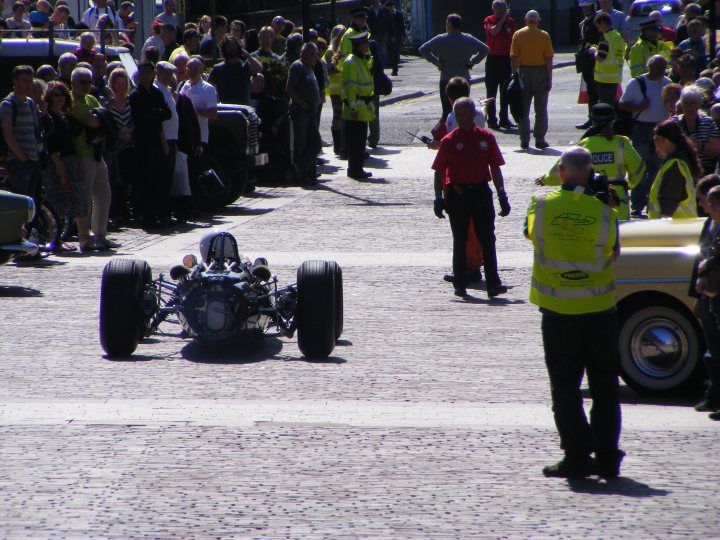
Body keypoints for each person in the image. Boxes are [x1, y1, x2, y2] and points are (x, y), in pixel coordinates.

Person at [526, 146, 623, 479]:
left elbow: (529, 234)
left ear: (564, 172)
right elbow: (614, 251)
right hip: (600, 312)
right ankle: (608, 456)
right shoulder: (606, 212)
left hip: (558, 313)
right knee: (605, 387)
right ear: (592, 172)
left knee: (565, 389)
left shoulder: (541, 205)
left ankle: (577, 455)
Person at [432, 97, 510, 299]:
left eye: (464, 114)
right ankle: (459, 282)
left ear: (473, 114)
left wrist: (502, 194)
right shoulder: (449, 141)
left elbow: (495, 168)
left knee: (488, 238)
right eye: (457, 115)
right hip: (458, 195)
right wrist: (437, 198)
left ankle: (493, 283)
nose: (461, 118)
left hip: (481, 193)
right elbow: (439, 171)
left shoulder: (486, 138)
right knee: (460, 239)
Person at [537, 103, 646, 221]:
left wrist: (544, 180)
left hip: (588, 197)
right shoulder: (621, 144)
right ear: (613, 121)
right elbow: (639, 168)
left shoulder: (583, 145)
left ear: (593, 122)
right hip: (617, 199)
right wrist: (629, 184)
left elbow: (561, 170)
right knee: (618, 235)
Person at [68, 66, 117, 252]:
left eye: (89, 82)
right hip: (82, 154)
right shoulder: (71, 101)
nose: (87, 86)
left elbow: (105, 119)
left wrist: (102, 117)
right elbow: (94, 121)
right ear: (73, 83)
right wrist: (101, 117)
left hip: (97, 153)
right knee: (84, 198)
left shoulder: (91, 99)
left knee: (104, 196)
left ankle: (100, 235)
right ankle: (84, 238)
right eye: (83, 82)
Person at [618, 55, 671, 217]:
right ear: (650, 67)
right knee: (640, 168)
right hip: (641, 129)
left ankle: (652, 202)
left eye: (664, 68)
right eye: (659, 68)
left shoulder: (667, 83)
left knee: (657, 168)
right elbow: (622, 104)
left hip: (661, 130)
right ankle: (637, 203)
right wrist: (638, 107)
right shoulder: (636, 83)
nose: (662, 72)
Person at [419, 13, 489, 121]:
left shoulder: (440, 39)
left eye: (447, 22)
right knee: (462, 110)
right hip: (463, 80)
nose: (445, 24)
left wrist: (436, 62)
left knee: (447, 111)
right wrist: (473, 61)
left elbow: (423, 49)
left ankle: (447, 135)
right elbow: (485, 49)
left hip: (446, 79)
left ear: (450, 24)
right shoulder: (468, 39)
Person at [689, 175, 720, 415]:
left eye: (704, 201)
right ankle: (713, 393)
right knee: (711, 347)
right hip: (709, 292)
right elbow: (700, 257)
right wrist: (698, 296)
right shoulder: (710, 224)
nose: (701, 206)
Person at [43, 80, 85, 249]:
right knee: (56, 201)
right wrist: (60, 167)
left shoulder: (65, 117)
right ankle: (55, 239)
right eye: (56, 95)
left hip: (71, 161)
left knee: (78, 198)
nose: (60, 98)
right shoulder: (49, 118)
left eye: (62, 95)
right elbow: (51, 146)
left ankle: (76, 237)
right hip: (57, 162)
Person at [129, 62, 171, 229]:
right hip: (142, 140)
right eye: (143, 72)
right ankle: (147, 215)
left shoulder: (156, 93)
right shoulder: (135, 95)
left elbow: (166, 113)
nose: (146, 75)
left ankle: (161, 213)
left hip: (156, 138)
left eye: (148, 72)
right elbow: (140, 117)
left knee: (159, 177)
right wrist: (154, 114)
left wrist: (154, 115)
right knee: (145, 179)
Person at [1, 66, 43, 231]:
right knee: (20, 203)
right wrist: (22, 157)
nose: (28, 85)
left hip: (34, 159)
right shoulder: (8, 104)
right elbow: (8, 135)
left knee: (32, 203)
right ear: (15, 82)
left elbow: (35, 130)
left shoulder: (31, 102)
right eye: (25, 81)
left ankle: (31, 237)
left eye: (30, 81)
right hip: (18, 162)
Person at [510, 10, 554, 151]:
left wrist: (514, 75)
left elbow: (514, 57)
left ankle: (524, 139)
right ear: (538, 21)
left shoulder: (518, 34)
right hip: (540, 72)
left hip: (523, 72)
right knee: (540, 108)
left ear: (525, 20)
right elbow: (548, 58)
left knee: (523, 108)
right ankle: (540, 139)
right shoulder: (544, 35)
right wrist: (549, 78)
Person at [286, 42, 322, 187]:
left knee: (315, 143)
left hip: (311, 111)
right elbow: (289, 88)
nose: (317, 57)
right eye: (315, 54)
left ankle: (306, 170)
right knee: (301, 143)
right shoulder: (297, 66)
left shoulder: (310, 68)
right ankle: (299, 172)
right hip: (301, 111)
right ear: (309, 54)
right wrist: (302, 103)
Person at [648, 118, 699, 219]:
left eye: (655, 140)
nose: (655, 145)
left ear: (663, 139)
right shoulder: (679, 162)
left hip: (673, 231)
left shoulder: (674, 166)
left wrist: (658, 231)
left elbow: (668, 204)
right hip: (679, 229)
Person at [341, 32, 375, 180]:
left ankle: (358, 168)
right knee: (356, 142)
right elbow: (350, 88)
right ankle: (354, 170)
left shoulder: (361, 59)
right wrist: (353, 108)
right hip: (356, 109)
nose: (368, 45)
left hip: (363, 108)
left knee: (360, 142)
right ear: (359, 46)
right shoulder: (351, 61)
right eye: (365, 43)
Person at [105, 68, 134, 223]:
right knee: (115, 179)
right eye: (118, 84)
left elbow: (134, 120)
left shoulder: (130, 101)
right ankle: (117, 211)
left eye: (123, 84)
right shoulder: (110, 103)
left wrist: (130, 132)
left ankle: (128, 209)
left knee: (128, 179)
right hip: (115, 147)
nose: (121, 87)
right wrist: (119, 133)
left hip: (130, 144)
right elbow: (108, 120)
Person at [483, 0, 516, 130]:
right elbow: (494, 31)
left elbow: (513, 39)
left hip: (505, 59)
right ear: (492, 8)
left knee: (505, 91)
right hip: (492, 59)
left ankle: (504, 118)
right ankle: (492, 119)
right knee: (491, 91)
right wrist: (503, 18)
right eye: (496, 6)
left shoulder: (511, 22)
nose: (499, 9)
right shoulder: (489, 19)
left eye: (501, 7)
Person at [674, 85, 720, 176]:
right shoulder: (673, 123)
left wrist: (700, 145)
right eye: (686, 103)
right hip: (680, 170)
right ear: (681, 104)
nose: (689, 106)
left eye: (693, 103)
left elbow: (716, 150)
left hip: (705, 170)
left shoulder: (708, 122)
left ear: (699, 104)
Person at [208, 36, 263, 106]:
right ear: (224, 48)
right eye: (228, 46)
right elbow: (208, 87)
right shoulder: (218, 69)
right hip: (226, 109)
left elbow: (259, 68)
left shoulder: (245, 66)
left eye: (233, 45)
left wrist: (247, 55)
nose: (231, 48)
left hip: (244, 108)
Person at [576, 0, 602, 130]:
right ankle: (591, 118)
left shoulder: (596, 20)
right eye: (583, 7)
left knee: (594, 92)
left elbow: (598, 40)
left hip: (593, 61)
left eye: (587, 7)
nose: (584, 9)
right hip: (587, 61)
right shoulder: (586, 20)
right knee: (591, 93)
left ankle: (595, 120)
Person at [593, 12, 625, 107]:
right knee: (610, 105)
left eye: (598, 26)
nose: (599, 30)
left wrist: (594, 51)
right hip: (615, 77)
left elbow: (600, 58)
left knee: (604, 106)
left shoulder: (605, 39)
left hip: (604, 79)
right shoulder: (618, 37)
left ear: (603, 23)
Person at [326, 25, 346, 156]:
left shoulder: (345, 49)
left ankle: (343, 144)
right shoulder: (330, 51)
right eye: (341, 35)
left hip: (344, 89)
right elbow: (329, 69)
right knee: (338, 116)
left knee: (344, 117)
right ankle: (337, 145)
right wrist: (341, 69)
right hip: (335, 89)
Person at [385, 1, 405, 76]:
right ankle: (391, 65)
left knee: (396, 53)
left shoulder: (399, 14)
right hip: (389, 36)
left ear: (392, 7)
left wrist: (403, 36)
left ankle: (395, 69)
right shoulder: (386, 15)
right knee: (389, 53)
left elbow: (402, 25)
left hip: (398, 36)